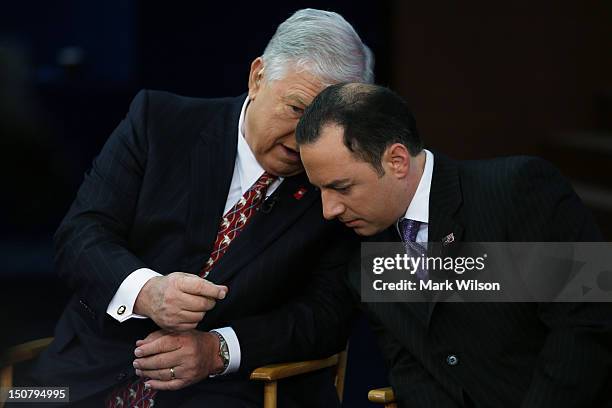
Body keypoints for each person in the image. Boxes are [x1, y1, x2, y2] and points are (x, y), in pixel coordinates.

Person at [27, 10, 373, 407]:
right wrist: (148, 292)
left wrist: (218, 350)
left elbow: (327, 314)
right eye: (297, 110)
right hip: (77, 377)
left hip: (226, 390)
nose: (305, 136)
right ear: (258, 77)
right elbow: (80, 234)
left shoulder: (335, 187)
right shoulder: (159, 121)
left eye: (326, 123)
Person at [296, 83, 612, 407]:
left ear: (397, 161)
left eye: (342, 187)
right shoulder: (362, 259)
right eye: (320, 190)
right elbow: (413, 374)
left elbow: (586, 324)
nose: (328, 209)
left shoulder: (518, 189)